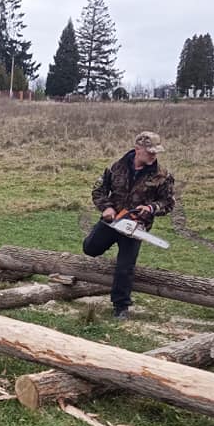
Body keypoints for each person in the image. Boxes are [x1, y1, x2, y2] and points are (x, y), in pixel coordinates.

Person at [83, 131, 175, 320]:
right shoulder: (116, 167)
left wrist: (151, 208)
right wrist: (106, 208)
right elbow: (99, 190)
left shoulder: (162, 175)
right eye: (149, 151)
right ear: (137, 149)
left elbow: (168, 203)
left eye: (155, 152)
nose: (153, 155)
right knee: (90, 248)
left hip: (135, 227)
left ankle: (121, 306)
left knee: (125, 266)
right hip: (112, 220)